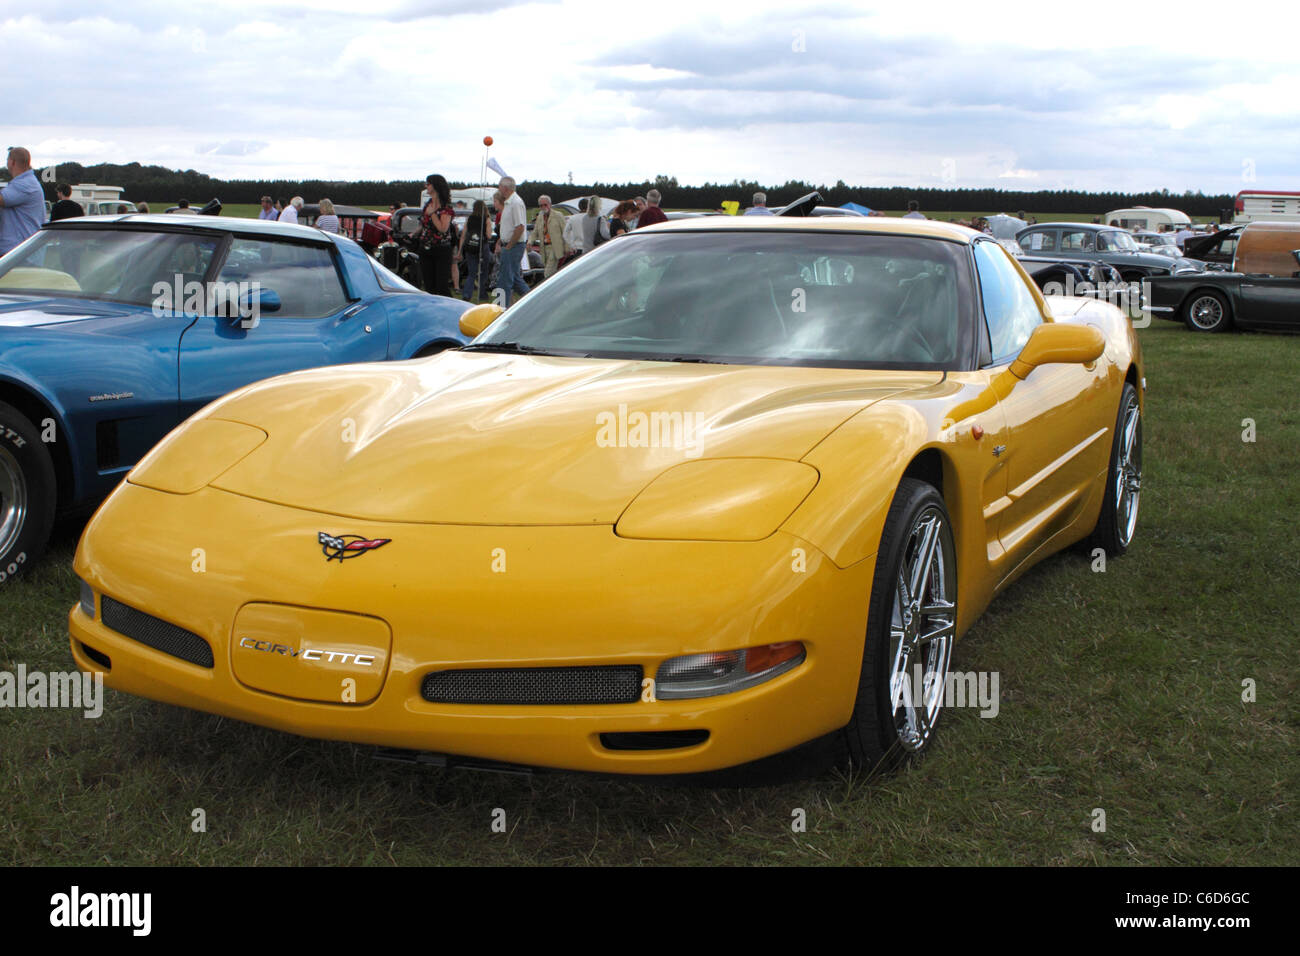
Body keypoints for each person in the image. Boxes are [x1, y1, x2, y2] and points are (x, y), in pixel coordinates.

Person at [0, 147, 47, 255]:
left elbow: (2, 199)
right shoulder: (27, 182)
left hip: (19, 252)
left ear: (12, 162)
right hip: (23, 250)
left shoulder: (24, 184)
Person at [494, 176, 531, 306]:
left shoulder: (516, 203)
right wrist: (501, 241)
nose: (499, 189)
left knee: (504, 280)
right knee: (515, 279)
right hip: (511, 244)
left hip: (513, 246)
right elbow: (510, 227)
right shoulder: (510, 203)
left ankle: (500, 309)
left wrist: (509, 246)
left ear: (505, 188)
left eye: (499, 186)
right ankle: (532, 300)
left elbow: (520, 227)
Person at [417, 174, 455, 296]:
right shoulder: (428, 204)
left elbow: (443, 229)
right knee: (429, 285)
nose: (426, 186)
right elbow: (424, 225)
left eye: (428, 184)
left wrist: (432, 213)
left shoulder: (445, 207)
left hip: (441, 249)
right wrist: (414, 234)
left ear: (435, 186)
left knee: (441, 286)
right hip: (425, 247)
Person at [458, 199, 494, 301]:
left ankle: (467, 294)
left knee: (471, 272)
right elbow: (489, 235)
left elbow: (463, 235)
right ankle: (482, 293)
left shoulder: (469, 218)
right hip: (483, 247)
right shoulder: (486, 219)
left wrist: (460, 251)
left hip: (470, 247)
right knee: (484, 271)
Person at [528, 194, 567, 279]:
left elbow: (565, 232)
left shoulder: (558, 215)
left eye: (545, 204)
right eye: (541, 205)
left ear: (550, 204)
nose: (543, 207)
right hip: (543, 248)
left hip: (555, 248)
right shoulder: (540, 217)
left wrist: (567, 248)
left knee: (547, 273)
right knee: (552, 272)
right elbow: (535, 232)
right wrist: (530, 242)